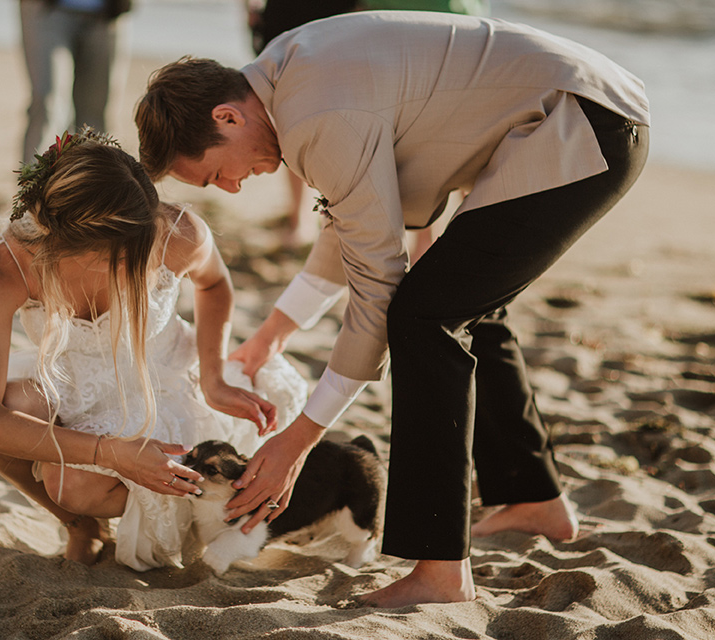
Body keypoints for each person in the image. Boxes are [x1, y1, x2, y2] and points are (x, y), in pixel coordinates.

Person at [134, 11, 649, 605]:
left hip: (582, 125)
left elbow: (377, 281)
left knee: (424, 318)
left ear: (228, 116)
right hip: (590, 107)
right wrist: (276, 330)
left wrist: (300, 438)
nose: (230, 187)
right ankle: (534, 499)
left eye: (216, 172)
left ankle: (441, 572)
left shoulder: (315, 117)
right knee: (462, 303)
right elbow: (360, 217)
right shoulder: (282, 77)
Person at [0, 129, 307, 570]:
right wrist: (111, 452)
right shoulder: (5, 267)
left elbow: (215, 283)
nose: (139, 259)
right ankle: (80, 526)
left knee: (76, 482)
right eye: (123, 254)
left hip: (163, 374)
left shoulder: (171, 230)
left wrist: (215, 376)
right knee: (13, 416)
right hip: (73, 378)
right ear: (66, 246)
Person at [245, 0, 360, 247]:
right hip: (287, 14)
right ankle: (300, 219)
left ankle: (327, 219)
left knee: (337, 117)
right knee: (288, 116)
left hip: (335, 15)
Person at [19, 0, 131, 163]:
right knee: (47, 105)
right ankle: (33, 186)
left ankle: (91, 185)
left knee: (96, 115)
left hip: (109, 14)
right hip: (46, 10)